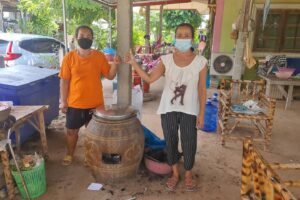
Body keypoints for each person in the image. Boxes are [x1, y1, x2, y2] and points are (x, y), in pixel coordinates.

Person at [125, 23, 207, 191]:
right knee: (170, 141)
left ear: (192, 38)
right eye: (180, 35)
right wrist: (133, 63)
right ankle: (175, 173)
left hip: (190, 110)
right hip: (168, 109)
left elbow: (202, 89)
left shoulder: (200, 62)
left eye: (186, 35)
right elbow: (149, 79)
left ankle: (189, 173)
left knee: (189, 141)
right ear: (175, 37)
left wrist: (202, 114)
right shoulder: (166, 60)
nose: (183, 38)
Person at [59, 25, 120, 166]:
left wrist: (115, 65)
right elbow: (64, 81)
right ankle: (69, 154)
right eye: (81, 36)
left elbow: (110, 76)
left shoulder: (99, 56)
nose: (85, 39)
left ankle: (90, 155)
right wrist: (63, 102)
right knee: (71, 132)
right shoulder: (69, 58)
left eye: (88, 36)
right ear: (75, 38)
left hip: (95, 104)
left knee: (93, 133)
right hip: (75, 103)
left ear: (92, 38)